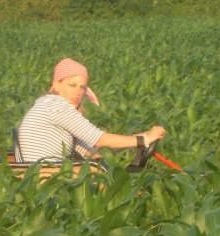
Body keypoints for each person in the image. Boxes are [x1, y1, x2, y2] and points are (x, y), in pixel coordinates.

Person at [15, 58, 166, 163]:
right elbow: (99, 139)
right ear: (56, 84)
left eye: (82, 87)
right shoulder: (56, 105)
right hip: (47, 174)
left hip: (48, 172)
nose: (78, 92)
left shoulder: (48, 104)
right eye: (72, 85)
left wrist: (139, 138)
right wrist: (144, 140)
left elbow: (91, 150)